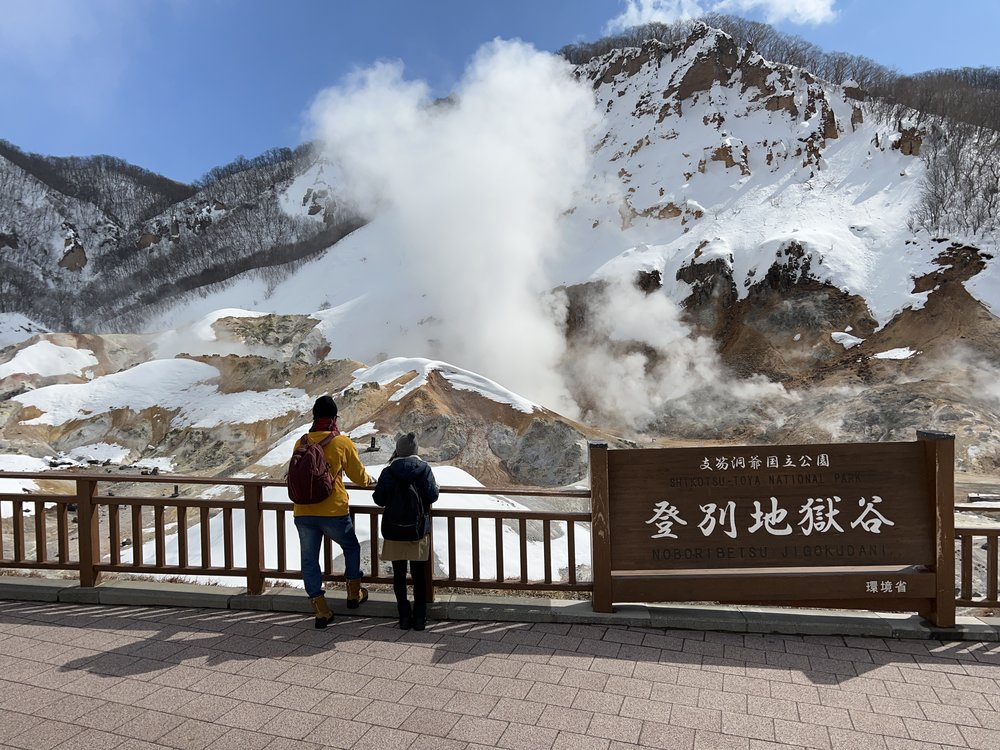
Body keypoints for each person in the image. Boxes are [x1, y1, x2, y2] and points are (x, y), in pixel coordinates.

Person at [293, 395, 375, 628]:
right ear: (334, 418)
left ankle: (320, 610)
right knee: (351, 546)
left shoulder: (301, 442)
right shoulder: (342, 443)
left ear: (314, 417)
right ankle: (353, 594)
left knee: (309, 559)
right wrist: (370, 480)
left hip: (303, 511)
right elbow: (359, 478)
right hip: (333, 510)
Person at [373, 432, 439, 630]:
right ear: (415, 451)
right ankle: (419, 618)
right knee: (419, 575)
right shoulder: (424, 469)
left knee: (399, 575)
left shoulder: (388, 471)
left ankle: (403, 616)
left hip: (394, 530)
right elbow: (432, 496)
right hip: (417, 531)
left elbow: (379, 500)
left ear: (398, 451)